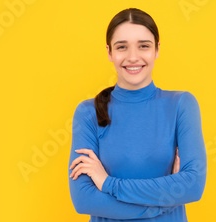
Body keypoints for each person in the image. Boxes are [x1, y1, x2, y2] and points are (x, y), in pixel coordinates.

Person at [68, 8, 207, 222]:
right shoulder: (88, 113)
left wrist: (107, 183)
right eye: (122, 47)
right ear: (109, 53)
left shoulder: (181, 105)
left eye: (144, 46)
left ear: (157, 50)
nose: (133, 57)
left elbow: (193, 185)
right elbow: (84, 200)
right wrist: (161, 204)